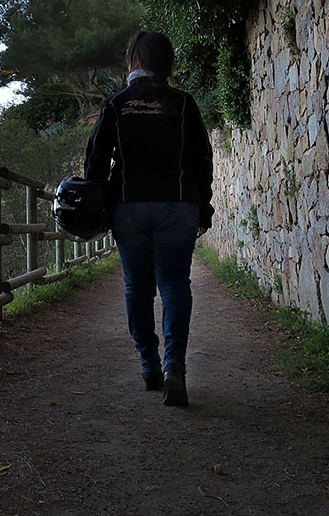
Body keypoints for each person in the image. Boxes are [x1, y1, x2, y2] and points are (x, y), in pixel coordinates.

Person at [84, 31, 214, 406]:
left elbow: (95, 162)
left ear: (132, 63)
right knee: (175, 284)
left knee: (137, 288)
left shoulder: (115, 104)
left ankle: (149, 367)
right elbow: (202, 160)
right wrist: (203, 207)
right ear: (168, 64)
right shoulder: (184, 104)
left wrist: (101, 209)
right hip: (178, 206)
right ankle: (175, 368)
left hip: (129, 208)